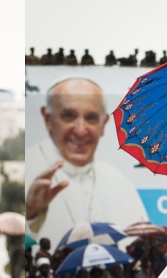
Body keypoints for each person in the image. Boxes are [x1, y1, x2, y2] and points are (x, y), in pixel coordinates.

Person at [25, 78, 148, 242]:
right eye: (69, 116)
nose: (81, 131)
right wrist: (31, 215)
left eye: (91, 118)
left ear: (103, 124)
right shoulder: (27, 168)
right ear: (48, 119)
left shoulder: (120, 183)